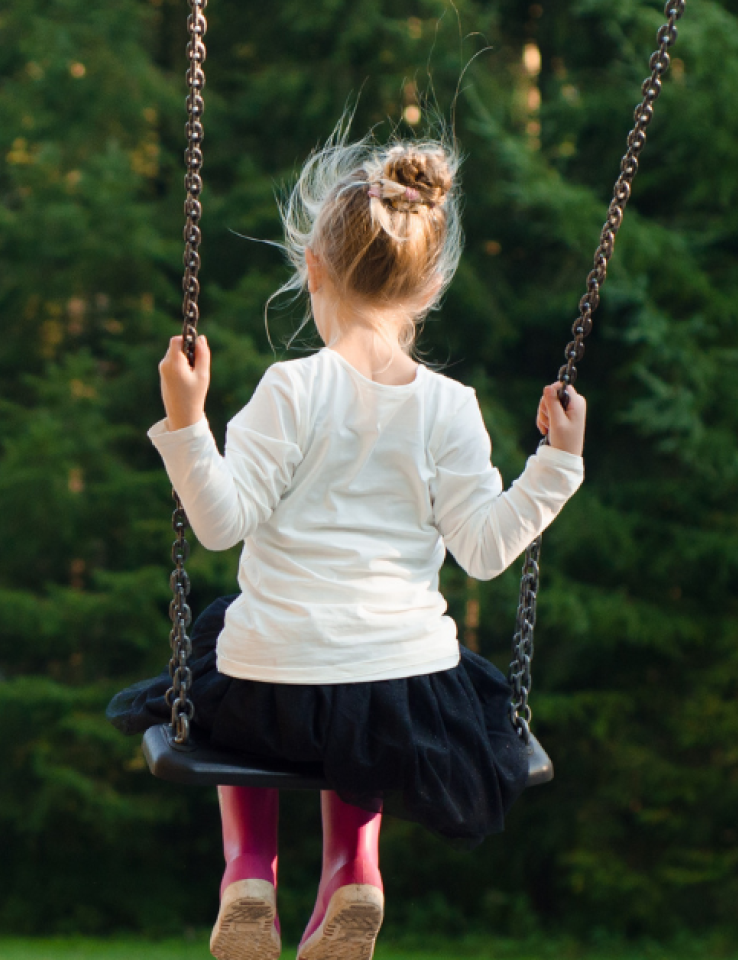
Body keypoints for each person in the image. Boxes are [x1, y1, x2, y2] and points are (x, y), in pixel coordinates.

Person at [107, 136, 588, 960]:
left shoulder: (288, 390)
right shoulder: (451, 406)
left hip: (271, 692)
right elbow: (484, 550)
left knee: (225, 642)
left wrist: (187, 421)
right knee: (368, 697)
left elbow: (219, 524)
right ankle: (355, 868)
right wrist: (558, 465)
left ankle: (249, 870)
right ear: (431, 286)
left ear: (312, 268)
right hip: (400, 700)